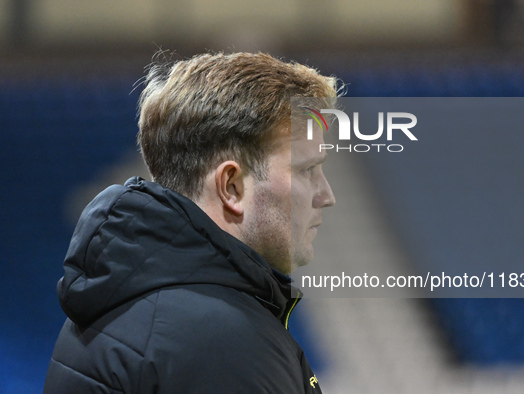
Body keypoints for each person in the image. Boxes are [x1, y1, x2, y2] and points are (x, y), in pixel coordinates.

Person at [44, 52, 337, 393]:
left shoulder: (115, 298)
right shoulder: (224, 344)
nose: (326, 194)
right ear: (232, 186)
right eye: (306, 170)